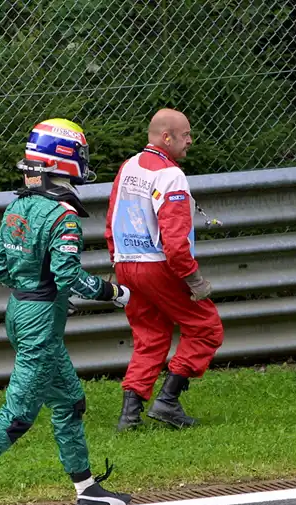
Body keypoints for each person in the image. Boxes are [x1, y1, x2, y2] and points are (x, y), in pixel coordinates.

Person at [0, 118, 133, 505]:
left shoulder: (16, 206)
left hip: (20, 311)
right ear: (66, 160)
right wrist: (114, 293)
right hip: (40, 321)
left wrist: (34, 292)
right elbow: (71, 278)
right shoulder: (63, 215)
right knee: (19, 413)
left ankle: (87, 490)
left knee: (70, 401)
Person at [105, 108, 225, 431]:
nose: (190, 141)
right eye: (185, 135)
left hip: (127, 265)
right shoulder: (171, 176)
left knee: (150, 336)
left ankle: (129, 416)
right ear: (166, 137)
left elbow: (111, 221)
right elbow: (174, 242)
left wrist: (117, 262)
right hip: (158, 267)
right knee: (207, 327)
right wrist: (194, 279)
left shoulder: (128, 167)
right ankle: (167, 402)